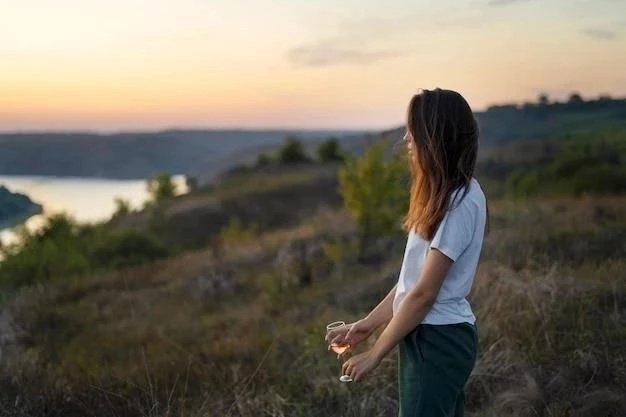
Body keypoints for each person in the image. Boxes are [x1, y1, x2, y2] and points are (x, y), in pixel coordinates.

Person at [326, 88, 487, 417]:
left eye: (413, 132)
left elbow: (424, 294)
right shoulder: (448, 197)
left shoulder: (459, 202)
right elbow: (411, 285)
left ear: (436, 137)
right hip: (430, 337)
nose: (406, 140)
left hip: (437, 341)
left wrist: (375, 354)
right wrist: (367, 325)